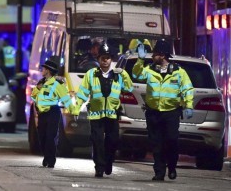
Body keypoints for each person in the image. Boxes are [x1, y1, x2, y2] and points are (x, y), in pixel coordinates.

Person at [134, 39, 194, 181]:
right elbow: (137, 74)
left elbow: (187, 89)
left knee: (172, 140)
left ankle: (172, 166)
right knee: (156, 143)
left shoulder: (179, 72)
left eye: (154, 53)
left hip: (171, 112)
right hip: (153, 112)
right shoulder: (149, 69)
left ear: (162, 55)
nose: (152, 56)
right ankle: (159, 172)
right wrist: (140, 60)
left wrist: (189, 105)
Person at [72, 43, 133, 177]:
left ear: (111, 60)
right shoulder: (91, 74)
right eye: (102, 58)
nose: (105, 60)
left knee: (113, 141)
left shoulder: (118, 75)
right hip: (96, 115)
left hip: (112, 115)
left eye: (107, 58)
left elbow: (129, 88)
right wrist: (76, 109)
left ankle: (109, 161)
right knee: (97, 141)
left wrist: (123, 72)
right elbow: (82, 93)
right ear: (98, 59)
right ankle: (99, 167)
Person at [31, 59, 73, 168]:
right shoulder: (41, 83)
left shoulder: (57, 84)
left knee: (51, 137)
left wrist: (74, 110)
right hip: (42, 113)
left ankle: (51, 160)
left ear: (48, 71)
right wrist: (37, 89)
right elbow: (34, 96)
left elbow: (66, 98)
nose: (42, 70)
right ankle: (46, 156)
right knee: (42, 137)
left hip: (53, 112)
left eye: (44, 69)